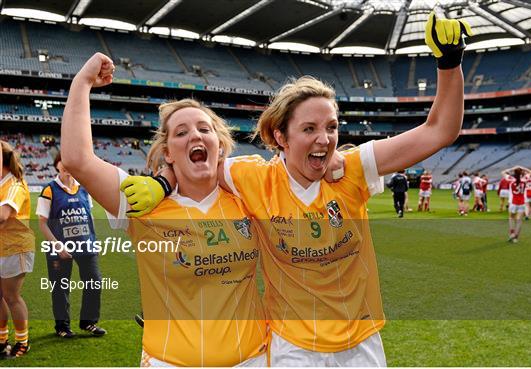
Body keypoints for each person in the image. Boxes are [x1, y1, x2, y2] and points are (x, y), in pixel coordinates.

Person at [123, 12, 472, 366]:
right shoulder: (252, 177)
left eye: (332, 127)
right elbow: (194, 162)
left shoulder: (352, 169)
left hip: (361, 344)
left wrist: (449, 62)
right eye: (309, 129)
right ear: (280, 137)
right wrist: (161, 182)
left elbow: (440, 130)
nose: (324, 139)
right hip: (293, 348)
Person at [60, 53, 267, 367]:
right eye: (181, 133)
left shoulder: (246, 197)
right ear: (168, 153)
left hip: (252, 359)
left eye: (204, 129)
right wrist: (82, 82)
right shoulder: (144, 204)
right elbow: (77, 160)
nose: (195, 135)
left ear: (219, 145)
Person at [36, 153, 106, 338]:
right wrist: (58, 247)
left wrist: (93, 240)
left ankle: (89, 322)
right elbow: (42, 223)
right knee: (60, 288)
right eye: (62, 161)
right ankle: (62, 327)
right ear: (57, 165)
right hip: (60, 249)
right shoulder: (49, 190)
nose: (66, 165)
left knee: (94, 281)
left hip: (86, 246)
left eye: (69, 161)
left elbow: (88, 216)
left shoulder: (84, 189)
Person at [0, 140, 35, 358]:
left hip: (15, 247)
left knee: (12, 297)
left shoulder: (14, 184)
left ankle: (23, 341)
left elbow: (2, 216)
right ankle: (1, 339)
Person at [502, 166, 531, 243]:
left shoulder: (511, 179)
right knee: (519, 220)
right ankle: (516, 237)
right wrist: (523, 168)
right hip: (522, 203)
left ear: (514, 173)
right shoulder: (525, 179)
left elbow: (503, 172)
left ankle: (511, 233)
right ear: (521, 173)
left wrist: (512, 168)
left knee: (511, 218)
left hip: (513, 202)